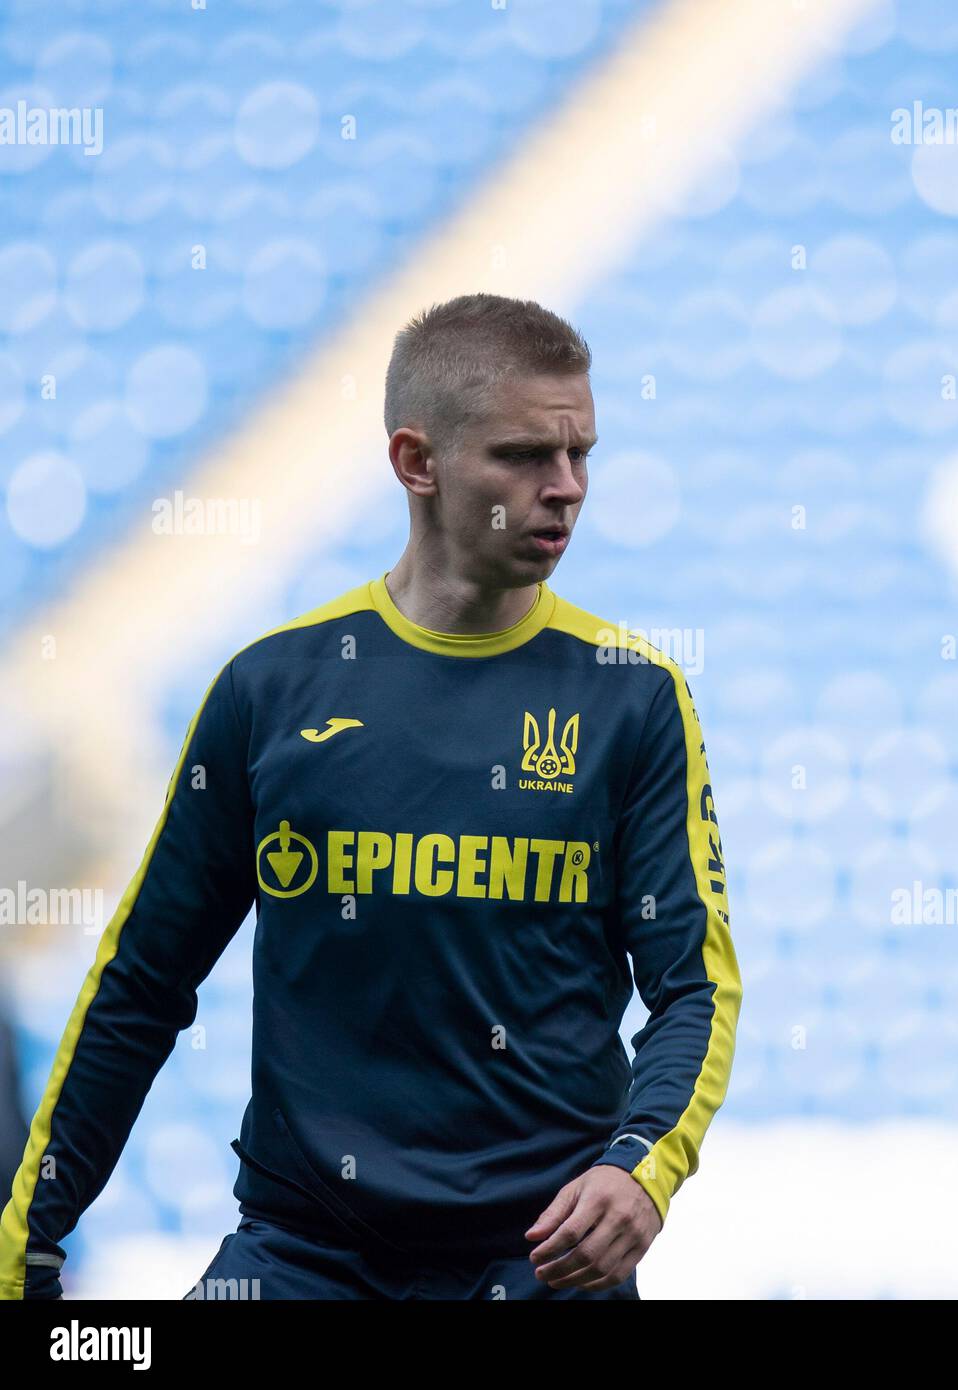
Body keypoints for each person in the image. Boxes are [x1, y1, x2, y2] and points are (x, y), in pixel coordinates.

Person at [0, 293, 741, 1301]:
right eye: (524, 456)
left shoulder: (631, 694)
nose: (564, 489)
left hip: (536, 1265)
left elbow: (693, 985)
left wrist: (644, 1163)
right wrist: (32, 1237)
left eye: (581, 455)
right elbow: (141, 983)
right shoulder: (271, 690)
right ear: (416, 461)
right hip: (301, 1257)